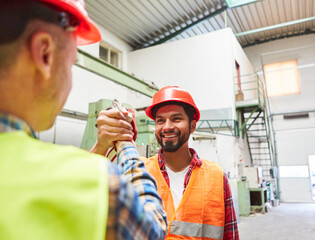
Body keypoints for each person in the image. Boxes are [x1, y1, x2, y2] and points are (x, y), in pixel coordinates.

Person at [0, 1, 166, 240]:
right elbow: (153, 227)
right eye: (72, 62)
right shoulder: (100, 184)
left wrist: (101, 147)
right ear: (44, 54)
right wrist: (126, 143)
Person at [96, 86, 240, 239]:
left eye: (176, 119)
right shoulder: (138, 172)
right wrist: (102, 144)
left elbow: (230, 235)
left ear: (192, 126)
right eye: (160, 121)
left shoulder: (216, 176)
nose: (167, 127)